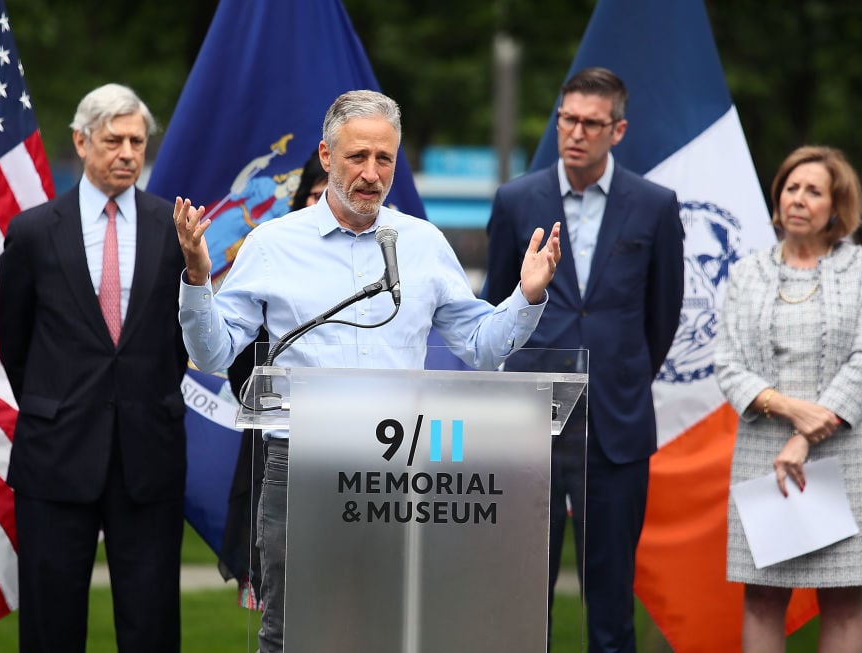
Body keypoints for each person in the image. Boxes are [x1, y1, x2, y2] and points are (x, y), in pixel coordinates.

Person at [174, 89, 561, 653]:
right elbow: (213, 354)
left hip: (394, 465)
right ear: (327, 157)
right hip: (300, 462)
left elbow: (480, 345)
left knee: (388, 628)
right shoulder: (273, 244)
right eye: (357, 157)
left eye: (385, 158)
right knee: (292, 632)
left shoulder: (422, 244)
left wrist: (525, 297)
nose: (371, 173)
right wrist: (195, 278)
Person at [484, 67, 685, 652]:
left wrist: (617, 376)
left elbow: (661, 315)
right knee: (521, 594)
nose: (575, 132)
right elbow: (497, 306)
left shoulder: (653, 205)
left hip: (615, 428)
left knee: (611, 598)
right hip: (527, 426)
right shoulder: (517, 200)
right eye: (567, 118)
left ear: (617, 130)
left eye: (591, 123)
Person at [0, 84, 189, 652]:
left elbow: (179, 339)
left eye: (137, 140)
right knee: (50, 622)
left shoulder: (172, 227)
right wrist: (56, 402)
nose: (128, 152)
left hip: (147, 450)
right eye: (114, 140)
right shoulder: (33, 231)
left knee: (151, 621)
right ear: (81, 142)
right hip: (55, 450)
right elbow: (17, 342)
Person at [714, 145, 862, 652]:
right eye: (791, 188)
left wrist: (807, 435)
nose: (798, 199)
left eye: (814, 191)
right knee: (761, 595)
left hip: (846, 452)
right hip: (763, 453)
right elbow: (727, 362)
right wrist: (791, 409)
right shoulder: (746, 273)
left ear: (836, 208)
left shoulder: (860, 270)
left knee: (845, 597)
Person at [220, 148, 329, 605]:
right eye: (314, 195)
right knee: (285, 608)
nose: (322, 203)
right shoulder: (273, 258)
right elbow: (236, 359)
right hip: (281, 444)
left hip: (364, 446)